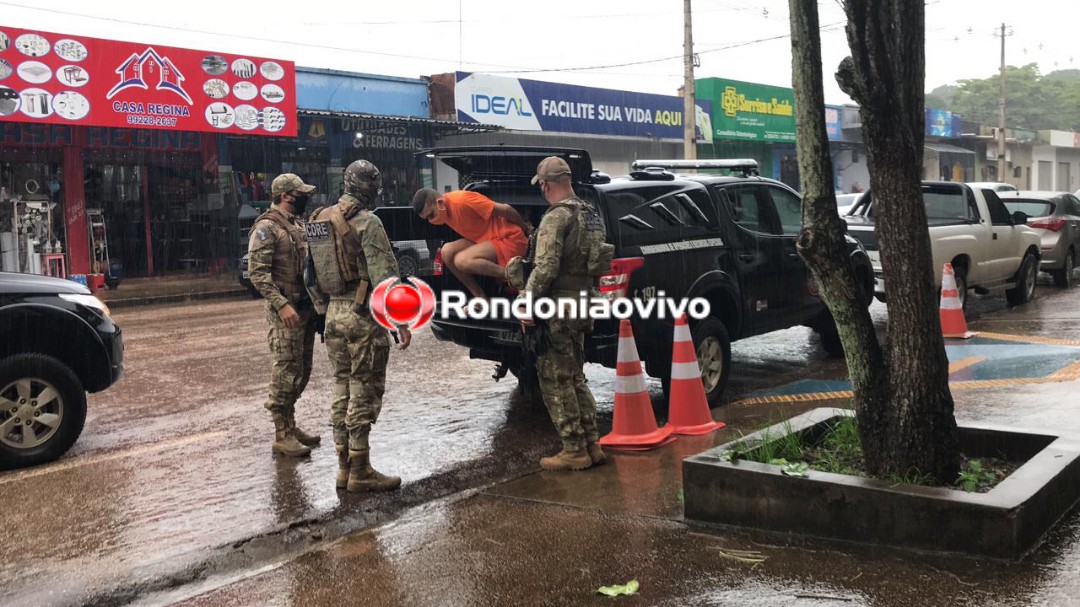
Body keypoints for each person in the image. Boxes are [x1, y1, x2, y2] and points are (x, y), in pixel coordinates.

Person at [305, 159, 411, 493]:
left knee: (342, 387)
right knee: (364, 389)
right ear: (370, 187)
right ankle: (361, 469)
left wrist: (325, 310)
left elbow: (310, 276)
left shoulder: (317, 219)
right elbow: (385, 277)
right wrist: (400, 321)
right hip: (362, 315)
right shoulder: (368, 222)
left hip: (333, 314)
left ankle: (343, 468)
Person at [518, 156, 612, 471]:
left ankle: (573, 450)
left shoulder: (556, 217)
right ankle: (592, 445)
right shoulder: (591, 213)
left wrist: (527, 302)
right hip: (583, 302)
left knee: (555, 379)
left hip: (558, 307)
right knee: (575, 376)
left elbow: (546, 266)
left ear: (545, 184)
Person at [247, 173, 322, 457]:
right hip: (285, 312)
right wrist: (281, 304)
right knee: (286, 371)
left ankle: (290, 425)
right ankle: (282, 434)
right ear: (286, 196)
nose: (304, 198)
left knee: (302, 371)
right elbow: (258, 274)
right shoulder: (266, 228)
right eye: (299, 194)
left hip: (304, 308)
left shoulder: (297, 225)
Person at [411, 188, 531, 298]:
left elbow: (505, 209)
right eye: (427, 218)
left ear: (439, 203)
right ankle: (480, 297)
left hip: (508, 238)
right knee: (446, 251)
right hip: (487, 240)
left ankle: (514, 276)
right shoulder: (444, 212)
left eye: (431, 215)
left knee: (461, 260)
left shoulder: (462, 200)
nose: (431, 220)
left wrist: (526, 228)